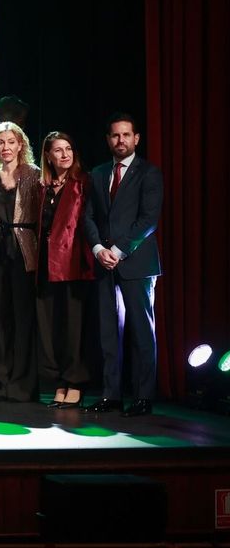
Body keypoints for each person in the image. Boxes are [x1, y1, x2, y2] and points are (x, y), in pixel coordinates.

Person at [81, 113, 164, 416]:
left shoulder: (149, 173)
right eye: (115, 136)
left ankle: (143, 397)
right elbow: (88, 216)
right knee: (108, 333)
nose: (120, 140)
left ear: (136, 139)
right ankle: (111, 394)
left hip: (137, 263)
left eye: (126, 135)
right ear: (108, 140)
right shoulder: (99, 173)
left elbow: (148, 220)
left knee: (142, 332)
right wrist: (99, 248)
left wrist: (117, 249)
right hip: (104, 263)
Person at [36, 131, 94, 408]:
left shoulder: (83, 183)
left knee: (73, 326)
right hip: (46, 266)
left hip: (73, 265)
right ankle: (59, 381)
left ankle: (75, 382)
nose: (64, 155)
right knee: (52, 327)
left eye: (68, 148)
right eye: (58, 150)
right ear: (48, 155)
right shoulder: (43, 186)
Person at [0, 121, 41, 403]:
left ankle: (22, 385)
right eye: (0, 142)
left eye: (10, 142)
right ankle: (0, 381)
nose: (5, 147)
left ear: (21, 144)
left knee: (23, 318)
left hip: (24, 252)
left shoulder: (34, 175)